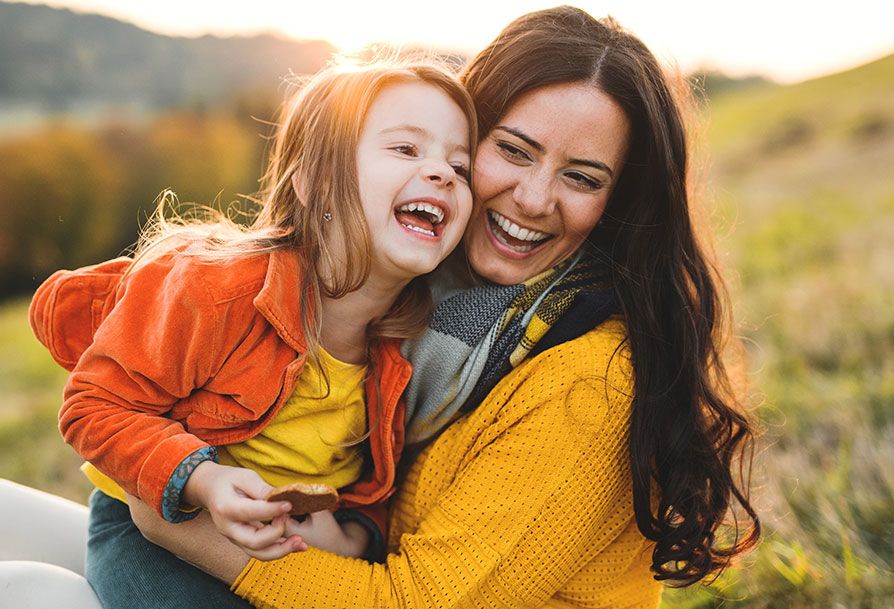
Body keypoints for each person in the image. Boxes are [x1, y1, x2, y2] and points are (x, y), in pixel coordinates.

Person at [1, 6, 760, 609]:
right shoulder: (430, 315)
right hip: (269, 548)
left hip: (304, 572)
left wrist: (179, 512)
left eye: (583, 177)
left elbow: (418, 596)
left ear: (618, 203)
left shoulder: (583, 377)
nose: (533, 198)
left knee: (28, 592)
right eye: (514, 150)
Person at [22, 58, 475, 606]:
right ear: (313, 182)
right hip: (159, 528)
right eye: (406, 149)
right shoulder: (216, 288)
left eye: (461, 166)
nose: (443, 173)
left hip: (289, 555)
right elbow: (93, 406)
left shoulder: (410, 347)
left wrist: (354, 535)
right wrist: (203, 482)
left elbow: (374, 482)